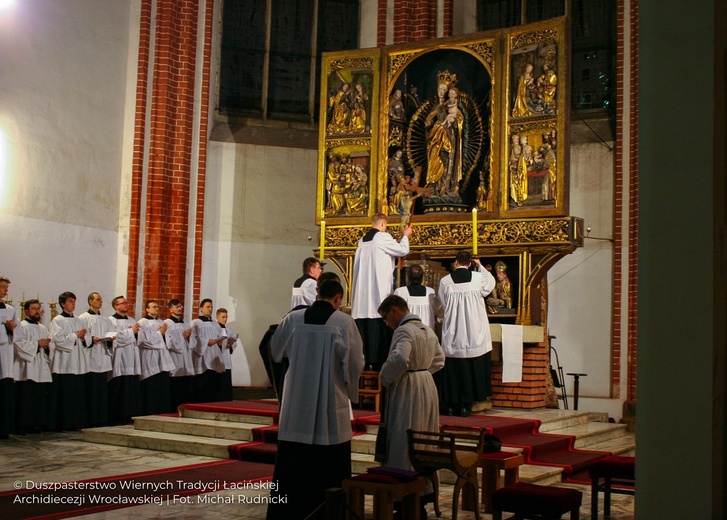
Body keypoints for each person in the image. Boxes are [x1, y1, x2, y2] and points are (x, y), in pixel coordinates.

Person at [266, 280, 364, 520]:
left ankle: (287, 511)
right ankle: (329, 512)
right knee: (329, 461)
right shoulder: (344, 322)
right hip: (330, 402)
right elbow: (354, 363)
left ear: (317, 294)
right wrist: (352, 392)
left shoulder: (292, 319)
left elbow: (276, 351)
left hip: (296, 401)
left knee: (293, 462)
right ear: (338, 299)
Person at [377, 295, 444, 501]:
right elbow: (440, 360)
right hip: (426, 384)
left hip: (408, 388)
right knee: (424, 436)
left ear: (395, 310)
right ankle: (425, 491)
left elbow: (400, 359)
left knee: (403, 435)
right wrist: (422, 372)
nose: (387, 324)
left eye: (386, 318)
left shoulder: (404, 330)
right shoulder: (427, 329)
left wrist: (385, 376)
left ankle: (404, 493)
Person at [436, 251, 496, 417]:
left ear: (456, 262)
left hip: (454, 332)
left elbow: (443, 301)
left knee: (453, 371)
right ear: (469, 263)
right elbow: (491, 282)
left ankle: (450, 405)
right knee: (470, 369)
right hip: (473, 332)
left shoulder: (445, 281)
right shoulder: (478, 279)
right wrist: (480, 265)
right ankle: (465, 406)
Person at [351, 213, 412, 369]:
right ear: (383, 224)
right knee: (379, 349)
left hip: (361, 302)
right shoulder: (382, 238)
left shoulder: (362, 241)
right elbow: (402, 250)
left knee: (364, 346)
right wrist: (405, 236)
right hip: (377, 299)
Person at [49, 291, 90, 430]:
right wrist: (75, 335)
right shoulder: (58, 320)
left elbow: (87, 339)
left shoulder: (79, 320)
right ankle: (63, 423)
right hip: (64, 362)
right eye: (70, 301)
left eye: (74, 301)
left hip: (78, 362)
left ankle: (76, 422)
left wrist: (84, 337)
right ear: (62, 304)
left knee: (77, 395)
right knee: (65, 394)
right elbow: (57, 340)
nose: (73, 304)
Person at [13, 299, 53, 433]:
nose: (37, 312)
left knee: (39, 397)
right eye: (33, 309)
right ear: (26, 311)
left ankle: (38, 423)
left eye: (38, 309)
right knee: (26, 397)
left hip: (41, 366)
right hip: (27, 367)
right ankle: (24, 425)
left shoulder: (42, 327)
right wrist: (38, 344)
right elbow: (19, 345)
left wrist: (47, 346)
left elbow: (50, 345)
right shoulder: (21, 326)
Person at [79, 292, 114, 427]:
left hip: (103, 356)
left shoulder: (105, 319)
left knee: (102, 390)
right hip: (91, 356)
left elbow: (111, 332)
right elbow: (83, 335)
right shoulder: (83, 317)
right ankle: (90, 418)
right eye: (97, 299)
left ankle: (101, 418)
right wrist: (91, 339)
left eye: (101, 299)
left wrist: (111, 338)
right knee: (91, 389)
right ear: (90, 301)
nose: (101, 301)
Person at [425, 81, 464, 200]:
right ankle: (434, 187)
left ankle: (446, 188)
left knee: (448, 161)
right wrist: (428, 124)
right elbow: (429, 122)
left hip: (449, 136)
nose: (441, 92)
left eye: (444, 90)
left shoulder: (451, 105)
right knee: (434, 159)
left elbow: (460, 119)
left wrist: (453, 122)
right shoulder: (436, 107)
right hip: (436, 138)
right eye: (439, 90)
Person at [108, 295, 142, 425]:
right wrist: (131, 332)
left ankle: (130, 415)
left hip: (132, 357)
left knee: (131, 387)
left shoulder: (132, 320)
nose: (126, 305)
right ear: (116, 306)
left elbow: (139, 337)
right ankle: (117, 416)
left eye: (127, 303)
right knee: (120, 387)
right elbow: (116, 338)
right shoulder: (110, 321)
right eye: (123, 303)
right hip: (120, 357)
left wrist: (137, 333)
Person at [137, 300, 174, 414]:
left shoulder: (162, 323)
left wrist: (164, 335)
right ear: (147, 309)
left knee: (162, 386)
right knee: (151, 386)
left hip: (162, 357)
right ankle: (150, 411)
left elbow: (169, 341)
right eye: (154, 307)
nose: (157, 308)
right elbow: (144, 342)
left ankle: (162, 410)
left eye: (158, 306)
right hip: (150, 358)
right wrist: (159, 334)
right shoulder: (142, 323)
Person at [190, 298, 224, 403]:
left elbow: (220, 336)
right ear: (201, 309)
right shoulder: (195, 323)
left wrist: (220, 342)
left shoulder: (215, 324)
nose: (210, 309)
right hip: (202, 356)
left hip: (214, 356)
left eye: (211, 307)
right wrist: (206, 342)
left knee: (214, 385)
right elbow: (192, 340)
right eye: (207, 307)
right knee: (202, 384)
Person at [164, 299, 194, 411]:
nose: (180, 308)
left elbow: (192, 342)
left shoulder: (185, 323)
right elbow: (169, 342)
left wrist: (190, 338)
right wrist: (183, 337)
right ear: (171, 309)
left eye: (181, 306)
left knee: (185, 384)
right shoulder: (167, 323)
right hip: (175, 357)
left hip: (186, 357)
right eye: (177, 306)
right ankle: (174, 408)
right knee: (176, 386)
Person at [0, 276, 20, 438]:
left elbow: (18, 332)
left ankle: (4, 429)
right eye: (3, 287)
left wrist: (12, 327)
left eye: (7, 287)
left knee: (5, 390)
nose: (6, 290)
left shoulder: (11, 309)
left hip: (5, 352)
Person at [393, 264, 440, 329]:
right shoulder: (431, 292)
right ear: (422, 277)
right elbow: (435, 314)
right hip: (426, 332)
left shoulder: (400, 292)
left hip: (407, 332)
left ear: (408, 277)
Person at [216, 308, 238, 401]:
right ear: (217, 317)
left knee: (226, 381)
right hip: (218, 357)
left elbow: (234, 342)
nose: (225, 319)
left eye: (226, 317)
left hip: (227, 357)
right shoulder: (215, 328)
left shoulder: (229, 329)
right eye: (223, 317)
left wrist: (231, 344)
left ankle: (227, 399)